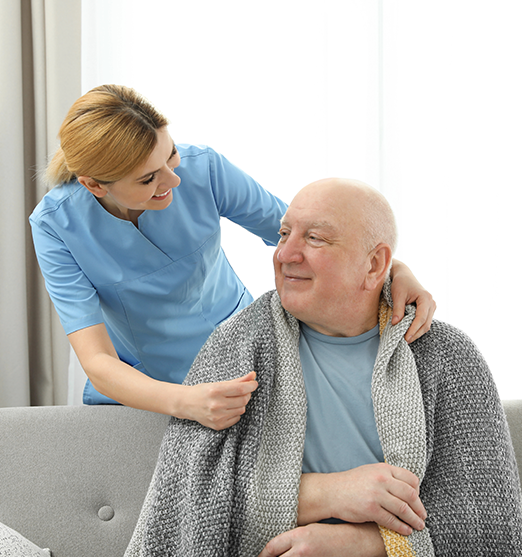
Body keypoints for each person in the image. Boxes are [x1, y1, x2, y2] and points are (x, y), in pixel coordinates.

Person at [125, 178, 522, 556]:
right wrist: (326, 493)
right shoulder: (234, 348)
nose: (284, 254)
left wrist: (367, 545)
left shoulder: (447, 356)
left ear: (375, 265)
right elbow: (183, 507)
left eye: (314, 238)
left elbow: (490, 521)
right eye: (284, 234)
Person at [29, 85, 435, 427]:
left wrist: (391, 268)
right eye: (148, 178)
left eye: (170, 156)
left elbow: (303, 236)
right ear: (94, 185)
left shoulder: (204, 169)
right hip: (147, 387)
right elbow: (97, 360)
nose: (173, 179)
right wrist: (185, 402)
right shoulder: (55, 226)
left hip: (243, 358)